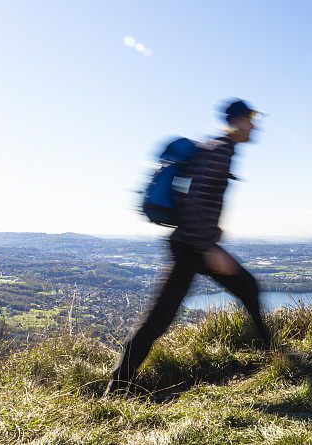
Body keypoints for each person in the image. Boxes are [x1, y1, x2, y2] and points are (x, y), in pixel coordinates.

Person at [105, 99, 271, 395]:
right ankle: (117, 388)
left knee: (248, 287)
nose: (254, 125)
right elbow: (191, 199)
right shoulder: (220, 151)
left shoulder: (217, 149)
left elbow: (194, 197)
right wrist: (208, 248)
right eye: (251, 119)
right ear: (237, 121)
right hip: (192, 248)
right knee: (158, 320)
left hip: (193, 245)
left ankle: (272, 355)